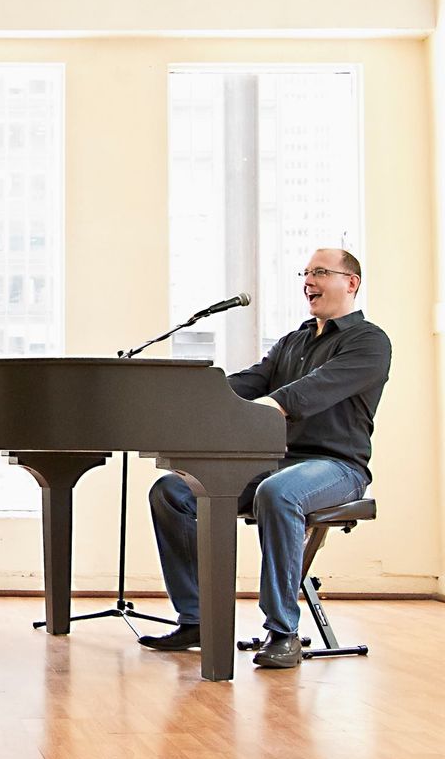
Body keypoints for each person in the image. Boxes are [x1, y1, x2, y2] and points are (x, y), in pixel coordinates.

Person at [139, 248, 390, 668]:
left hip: (337, 466)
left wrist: (266, 406)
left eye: (321, 272)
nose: (309, 280)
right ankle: (197, 618)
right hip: (279, 462)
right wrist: (188, 394)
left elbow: (310, 392)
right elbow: (249, 382)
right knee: (171, 491)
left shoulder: (369, 341)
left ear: (351, 283)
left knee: (278, 493)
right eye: (305, 273)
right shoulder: (293, 341)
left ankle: (283, 632)